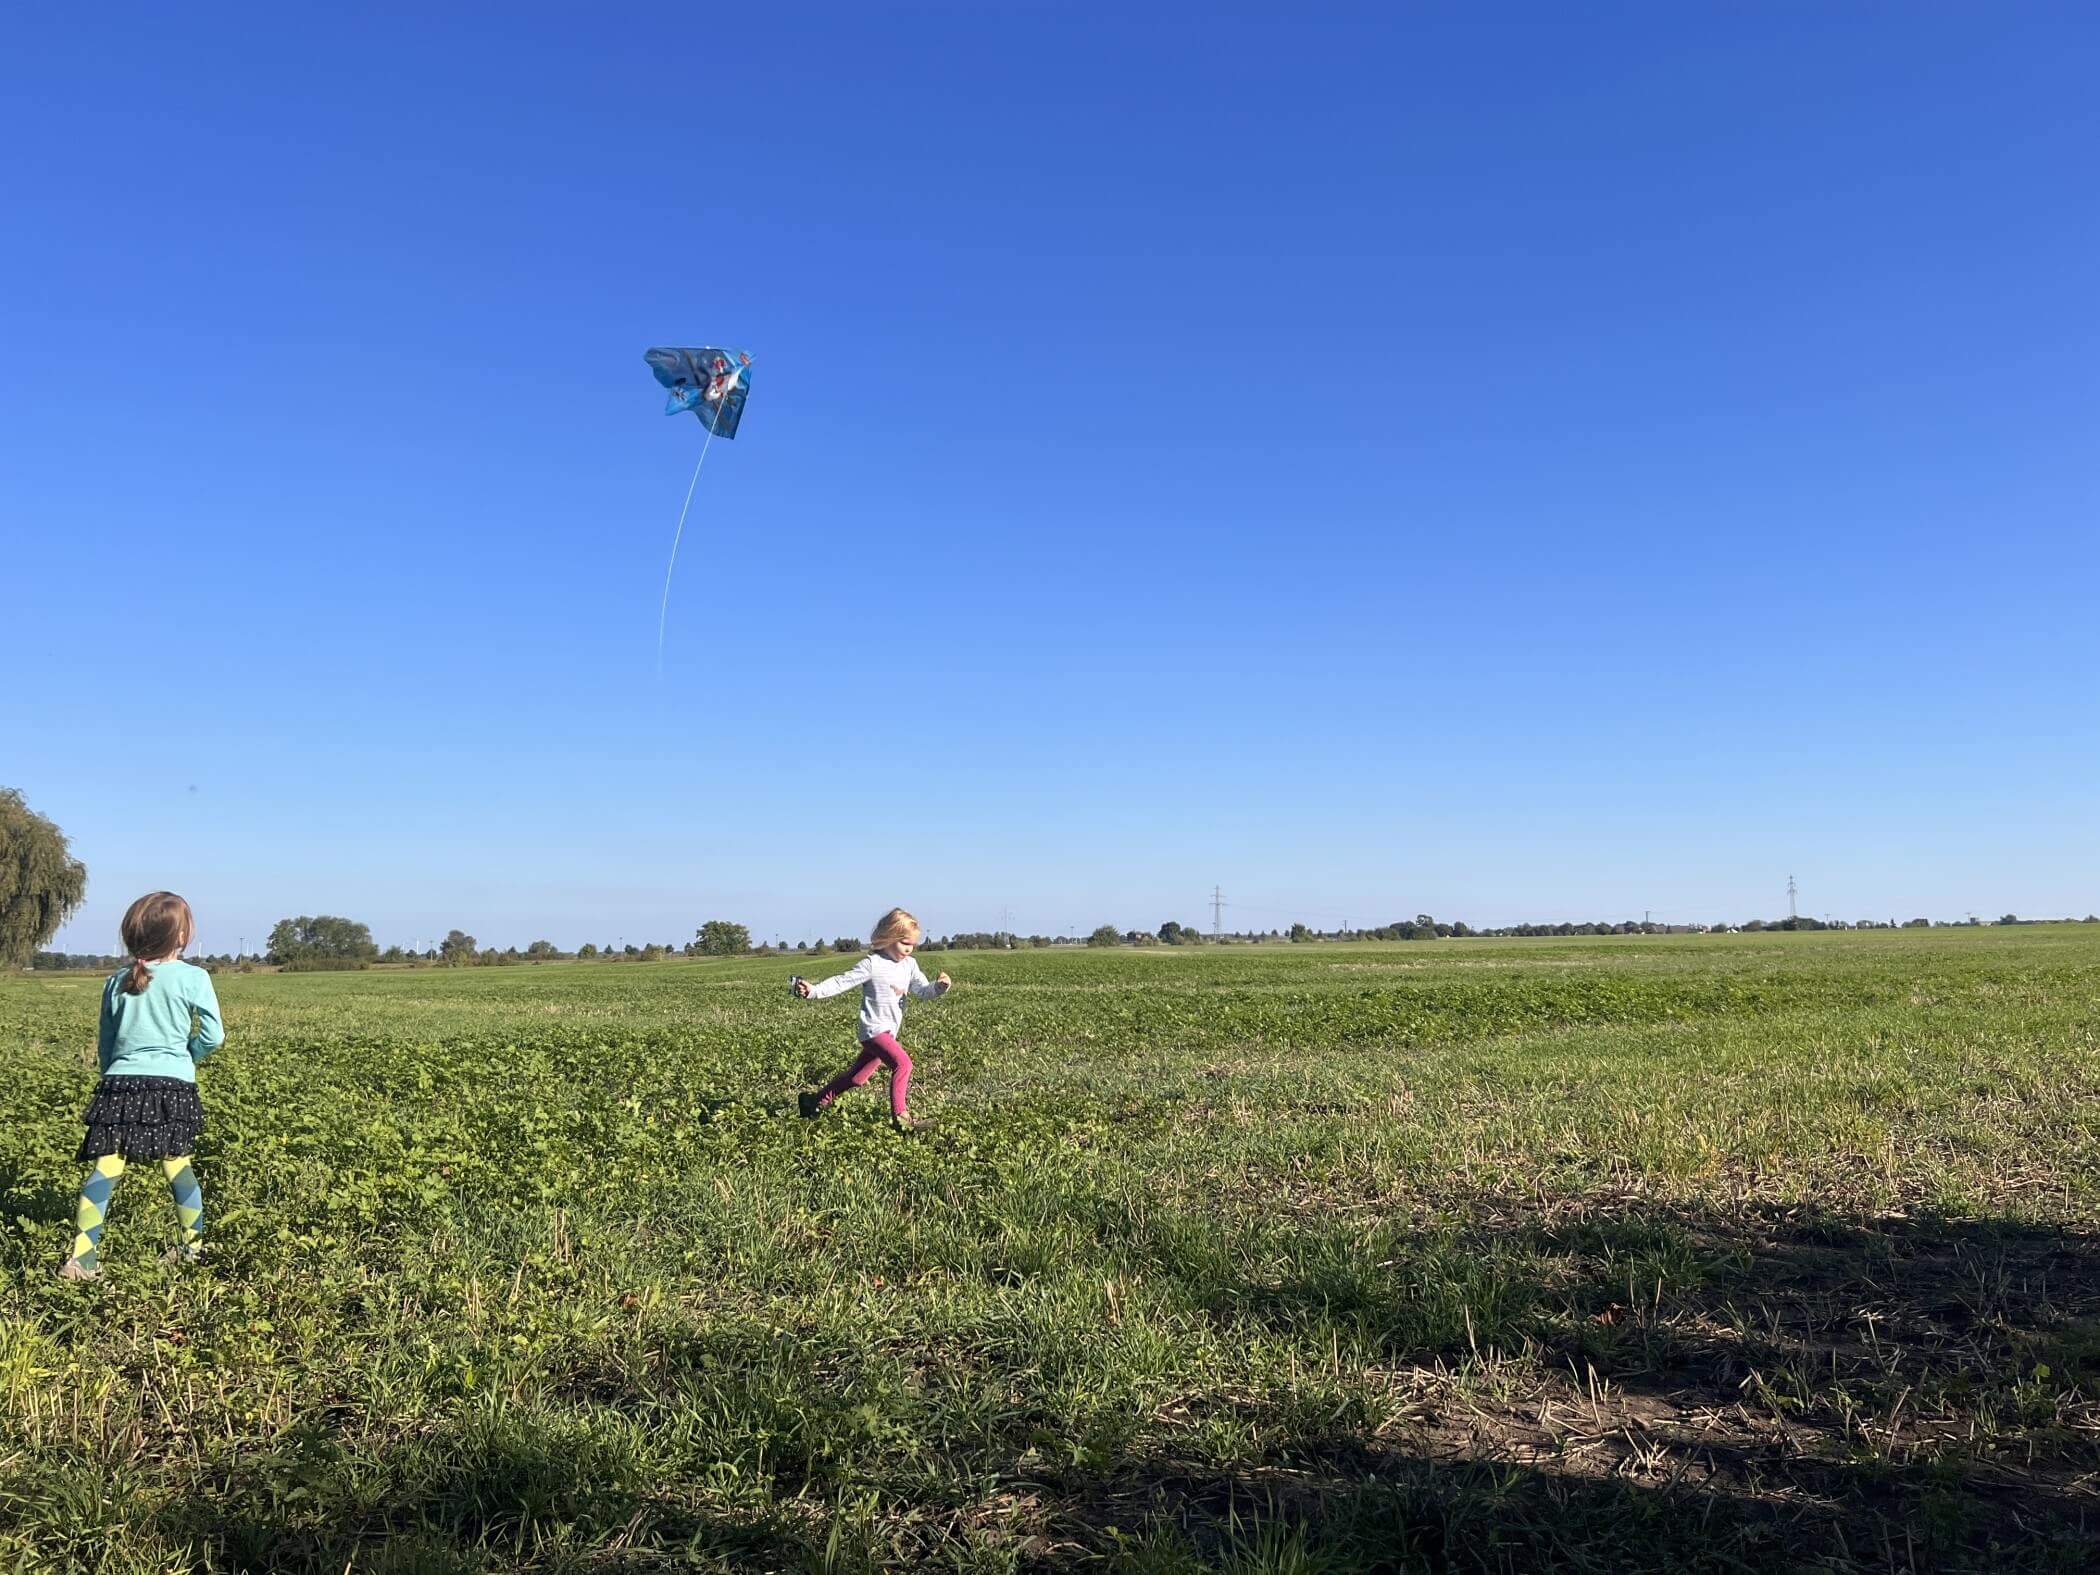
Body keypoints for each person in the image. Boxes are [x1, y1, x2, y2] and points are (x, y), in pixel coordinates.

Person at [59, 891, 221, 1280]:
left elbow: (106, 1041)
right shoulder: (195, 977)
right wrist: (187, 1057)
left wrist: (111, 1073)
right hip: (172, 1086)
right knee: (177, 1165)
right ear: (181, 936)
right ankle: (192, 1249)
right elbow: (213, 1036)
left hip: (120, 1084)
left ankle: (82, 1259)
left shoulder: (116, 981)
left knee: (107, 1167)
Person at [796, 908, 951, 1130]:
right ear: (889, 937)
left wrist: (939, 987)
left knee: (857, 1077)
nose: (908, 949)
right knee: (903, 1064)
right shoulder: (873, 964)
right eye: (904, 943)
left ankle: (813, 1102)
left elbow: (923, 991)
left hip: (888, 1032)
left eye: (912, 945)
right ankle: (902, 1120)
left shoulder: (909, 965)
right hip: (873, 1031)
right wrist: (814, 990)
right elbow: (842, 981)